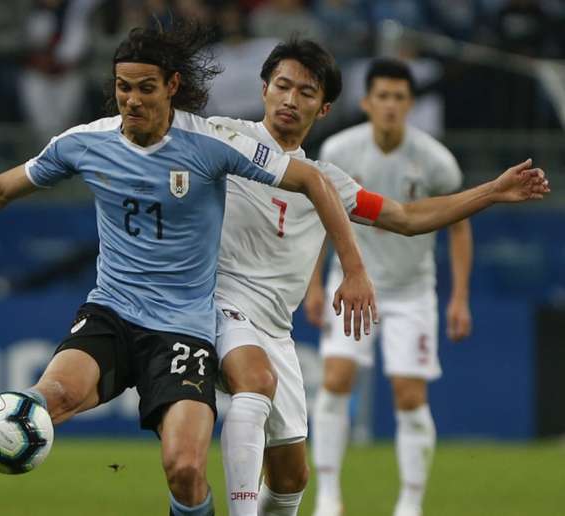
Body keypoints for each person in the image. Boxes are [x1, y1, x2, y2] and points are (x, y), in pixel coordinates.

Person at [0, 23, 378, 516]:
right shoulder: (86, 143)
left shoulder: (209, 144)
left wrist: (353, 269)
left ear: (172, 88)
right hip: (112, 312)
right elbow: (0, 190)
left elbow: (313, 179)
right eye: (121, 88)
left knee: (184, 468)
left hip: (184, 330)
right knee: (54, 395)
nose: (131, 100)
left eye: (144, 88)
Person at [206, 42, 549, 516]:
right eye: (281, 86)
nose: (289, 100)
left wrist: (490, 191)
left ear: (323, 107)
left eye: (305, 92)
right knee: (255, 390)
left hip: (280, 328)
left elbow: (405, 216)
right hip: (220, 308)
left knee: (290, 478)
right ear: (264, 90)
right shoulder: (224, 138)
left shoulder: (328, 179)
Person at [304, 59, 491, 516]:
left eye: (399, 97)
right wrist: (312, 284)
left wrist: (459, 296)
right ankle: (329, 497)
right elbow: (322, 223)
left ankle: (410, 504)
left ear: (409, 104)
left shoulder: (434, 160)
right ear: (367, 102)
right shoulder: (340, 150)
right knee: (335, 379)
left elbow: (459, 226)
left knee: (409, 394)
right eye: (382, 96)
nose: (390, 105)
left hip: (411, 290)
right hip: (353, 285)